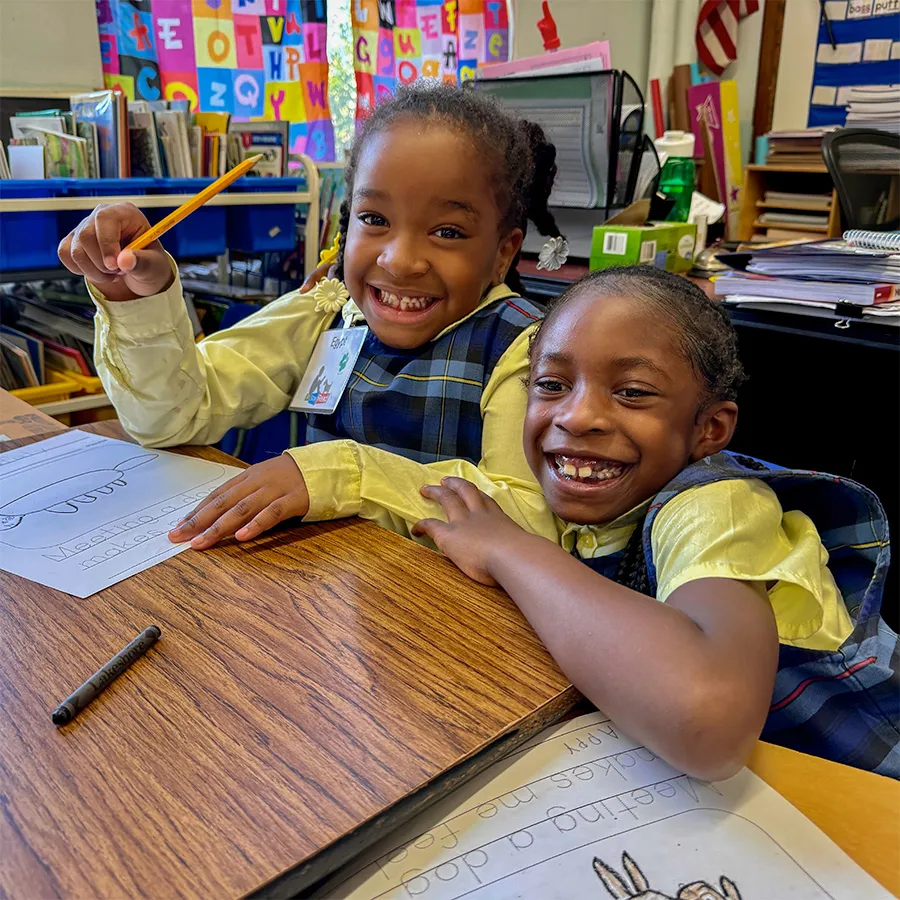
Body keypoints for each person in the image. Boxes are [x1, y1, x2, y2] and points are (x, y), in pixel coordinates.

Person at [410, 266, 899, 781]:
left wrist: (510, 552)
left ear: (709, 429)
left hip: (859, 798)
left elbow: (709, 725)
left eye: (633, 392)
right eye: (552, 384)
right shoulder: (590, 500)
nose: (577, 417)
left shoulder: (718, 506)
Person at [57, 83, 562, 550]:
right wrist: (138, 298)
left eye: (448, 231)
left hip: (451, 627)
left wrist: (341, 475)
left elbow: (530, 518)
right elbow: (175, 418)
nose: (400, 261)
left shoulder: (526, 350)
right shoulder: (326, 311)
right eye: (375, 219)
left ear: (503, 252)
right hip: (327, 609)